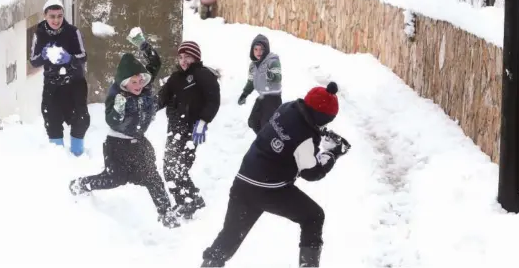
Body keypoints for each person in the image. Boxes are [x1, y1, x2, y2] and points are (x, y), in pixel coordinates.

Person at [201, 82, 351, 267]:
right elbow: (312, 173)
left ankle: (210, 263)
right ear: (322, 117)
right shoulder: (305, 137)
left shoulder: (288, 107)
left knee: (230, 234)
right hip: (270, 190)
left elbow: (290, 137)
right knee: (313, 216)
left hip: (244, 181)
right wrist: (332, 153)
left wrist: (316, 135)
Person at [68, 30, 180, 229]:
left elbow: (155, 63)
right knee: (114, 179)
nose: (138, 86)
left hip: (139, 143)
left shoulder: (144, 86)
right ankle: (81, 184)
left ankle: (167, 215)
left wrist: (143, 44)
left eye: (140, 81)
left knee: (153, 178)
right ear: (124, 82)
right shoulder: (117, 94)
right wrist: (119, 110)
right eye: (133, 83)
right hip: (117, 144)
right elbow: (112, 121)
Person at [157, 41, 221, 219]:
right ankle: (191, 200)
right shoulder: (176, 78)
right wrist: (146, 110)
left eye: (188, 57)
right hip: (175, 129)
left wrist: (203, 121)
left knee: (178, 168)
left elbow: (213, 100)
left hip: (192, 130)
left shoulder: (203, 75)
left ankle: (188, 202)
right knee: (170, 168)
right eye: (181, 57)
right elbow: (162, 98)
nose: (184, 61)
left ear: (196, 57)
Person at [29, 0, 90, 156]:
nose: (56, 20)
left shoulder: (72, 32)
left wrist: (69, 58)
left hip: (75, 82)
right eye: (52, 16)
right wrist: (43, 55)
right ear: (45, 16)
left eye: (59, 16)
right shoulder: (39, 34)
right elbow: (34, 61)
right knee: (52, 119)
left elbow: (83, 56)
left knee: (80, 119)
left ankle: (78, 153)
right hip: (52, 84)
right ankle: (57, 155)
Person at [237, 34, 282, 135]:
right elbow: (251, 82)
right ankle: (264, 139)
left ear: (266, 50)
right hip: (262, 98)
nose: (258, 52)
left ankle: (267, 142)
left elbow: (278, 77)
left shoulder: (273, 61)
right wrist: (244, 94)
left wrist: (268, 74)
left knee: (266, 126)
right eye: (255, 49)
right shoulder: (253, 65)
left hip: (273, 99)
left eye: (261, 49)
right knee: (252, 122)